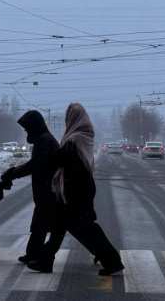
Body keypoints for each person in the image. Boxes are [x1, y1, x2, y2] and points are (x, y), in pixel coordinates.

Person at [27, 103, 124, 276]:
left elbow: (63, 158)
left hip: (76, 190)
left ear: (73, 118)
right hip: (75, 188)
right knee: (60, 224)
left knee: (84, 228)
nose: (66, 121)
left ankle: (112, 261)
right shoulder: (81, 136)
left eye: (68, 117)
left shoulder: (76, 138)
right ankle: (45, 260)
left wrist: (51, 156)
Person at [1, 110, 60, 264]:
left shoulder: (43, 141)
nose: (26, 132)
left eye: (27, 128)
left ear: (34, 127)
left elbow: (34, 166)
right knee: (43, 223)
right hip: (47, 189)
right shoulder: (45, 139)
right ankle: (33, 253)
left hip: (48, 190)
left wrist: (13, 173)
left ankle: (35, 254)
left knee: (49, 224)